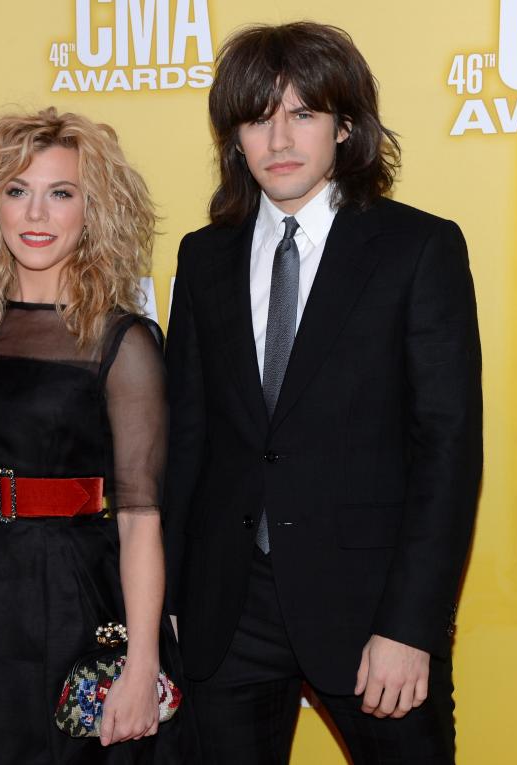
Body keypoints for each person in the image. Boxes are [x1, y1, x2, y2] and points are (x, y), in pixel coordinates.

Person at [164, 22, 482, 764]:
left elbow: (447, 452)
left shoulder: (417, 249)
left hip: (372, 609)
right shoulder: (203, 256)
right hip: (225, 612)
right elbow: (187, 440)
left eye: (301, 113)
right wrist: (173, 603)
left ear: (344, 126)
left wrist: (411, 626)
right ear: (233, 136)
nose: (277, 137)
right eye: (256, 115)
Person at [0, 108, 195, 764]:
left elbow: (142, 518)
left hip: (74, 595)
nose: (36, 214)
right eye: (16, 190)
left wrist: (141, 664)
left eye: (60, 193)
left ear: (93, 212)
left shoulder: (122, 341)